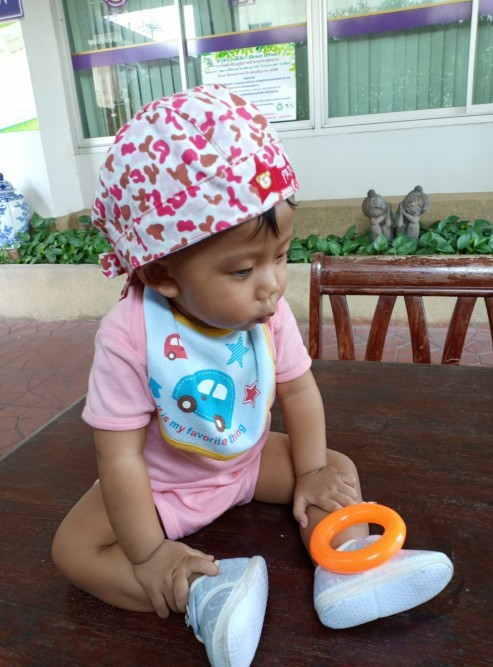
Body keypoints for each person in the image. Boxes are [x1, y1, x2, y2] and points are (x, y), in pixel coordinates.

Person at [52, 84, 453, 667]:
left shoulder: (268, 311)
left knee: (335, 466)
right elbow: (119, 459)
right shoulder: (130, 335)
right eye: (243, 270)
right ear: (163, 273)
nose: (272, 284)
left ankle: (347, 565)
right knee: (74, 550)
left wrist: (311, 473)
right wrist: (149, 552)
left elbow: (299, 390)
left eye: (281, 255)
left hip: (249, 460)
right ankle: (207, 593)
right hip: (162, 486)